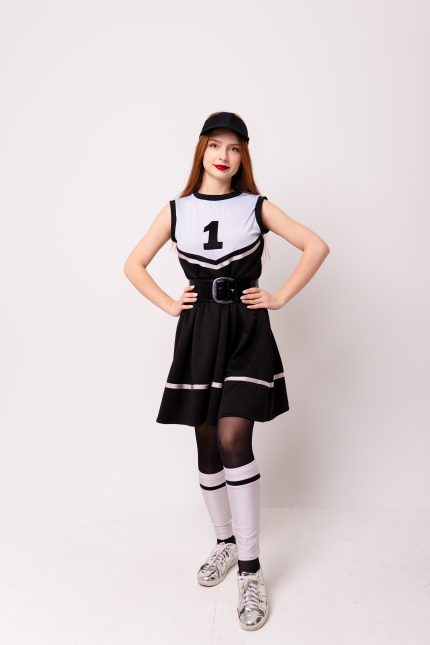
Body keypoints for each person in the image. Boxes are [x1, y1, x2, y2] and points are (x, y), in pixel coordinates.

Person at [124, 111, 330, 631]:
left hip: (245, 331)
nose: (224, 155)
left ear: (243, 156)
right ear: (201, 150)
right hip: (199, 333)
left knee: (235, 438)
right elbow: (133, 264)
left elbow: (316, 245)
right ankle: (225, 542)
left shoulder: (256, 206)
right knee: (207, 443)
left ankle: (251, 572)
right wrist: (169, 304)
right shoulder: (176, 210)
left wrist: (279, 296)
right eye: (216, 145)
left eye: (234, 148)